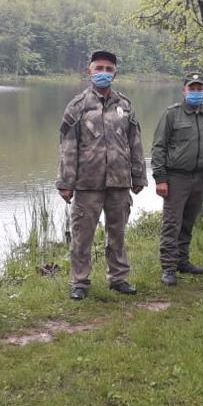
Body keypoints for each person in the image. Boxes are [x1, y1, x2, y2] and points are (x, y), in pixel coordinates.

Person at [57, 50, 147, 300]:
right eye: (99, 69)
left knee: (117, 234)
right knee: (82, 236)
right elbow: (67, 147)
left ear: (115, 72)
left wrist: (138, 176)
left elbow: (135, 143)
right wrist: (66, 183)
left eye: (109, 69)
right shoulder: (77, 106)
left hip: (119, 182)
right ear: (90, 71)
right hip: (87, 184)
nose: (104, 73)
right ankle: (80, 282)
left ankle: (118, 278)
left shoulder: (125, 105)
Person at [151, 72, 203, 286]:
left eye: (200, 89)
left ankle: (183, 261)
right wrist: (160, 178)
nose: (196, 92)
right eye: (192, 88)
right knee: (172, 223)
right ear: (184, 91)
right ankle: (169, 268)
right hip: (176, 178)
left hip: (200, 178)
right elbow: (159, 147)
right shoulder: (172, 114)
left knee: (188, 222)